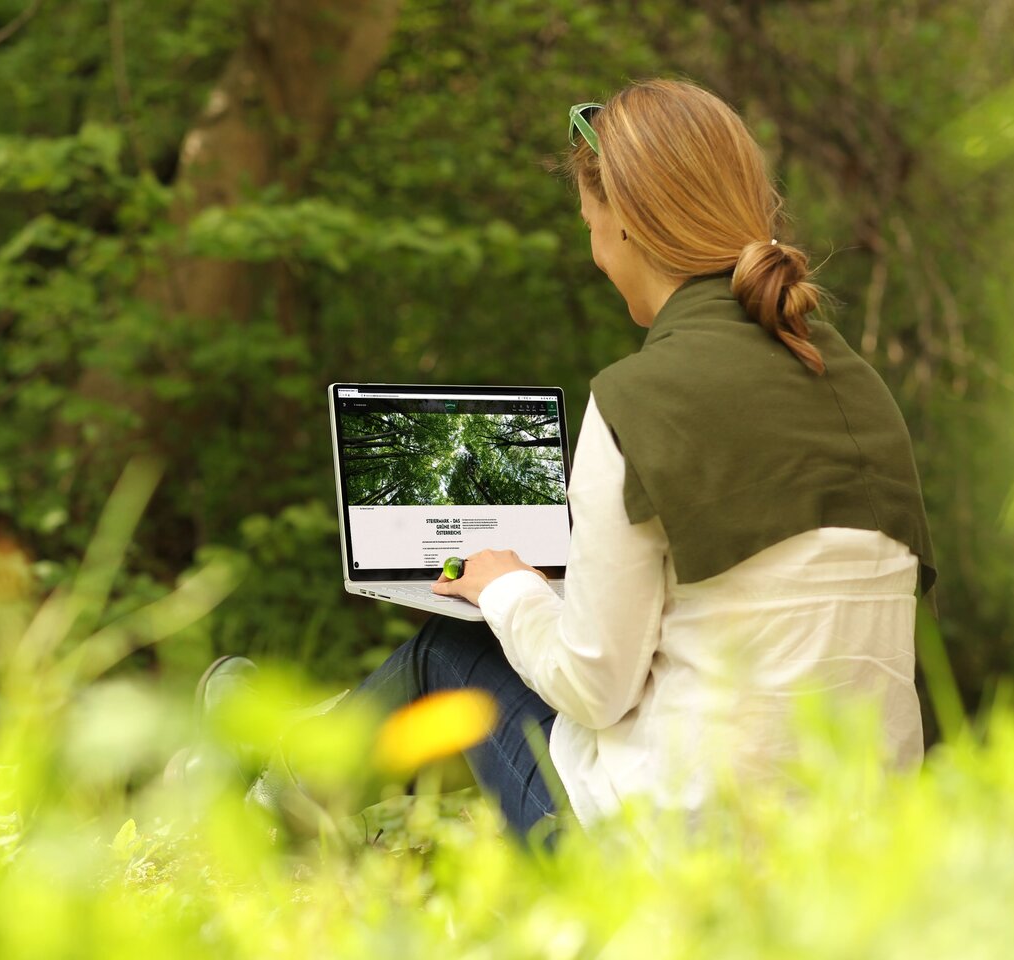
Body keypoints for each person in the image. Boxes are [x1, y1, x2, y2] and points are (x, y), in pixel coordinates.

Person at [190, 78, 937, 840]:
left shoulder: (639, 400)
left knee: (451, 647)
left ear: (624, 229)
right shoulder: (856, 387)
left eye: (589, 222)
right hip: (855, 854)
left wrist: (507, 586)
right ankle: (298, 757)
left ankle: (277, 791)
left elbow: (593, 687)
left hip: (668, 867)